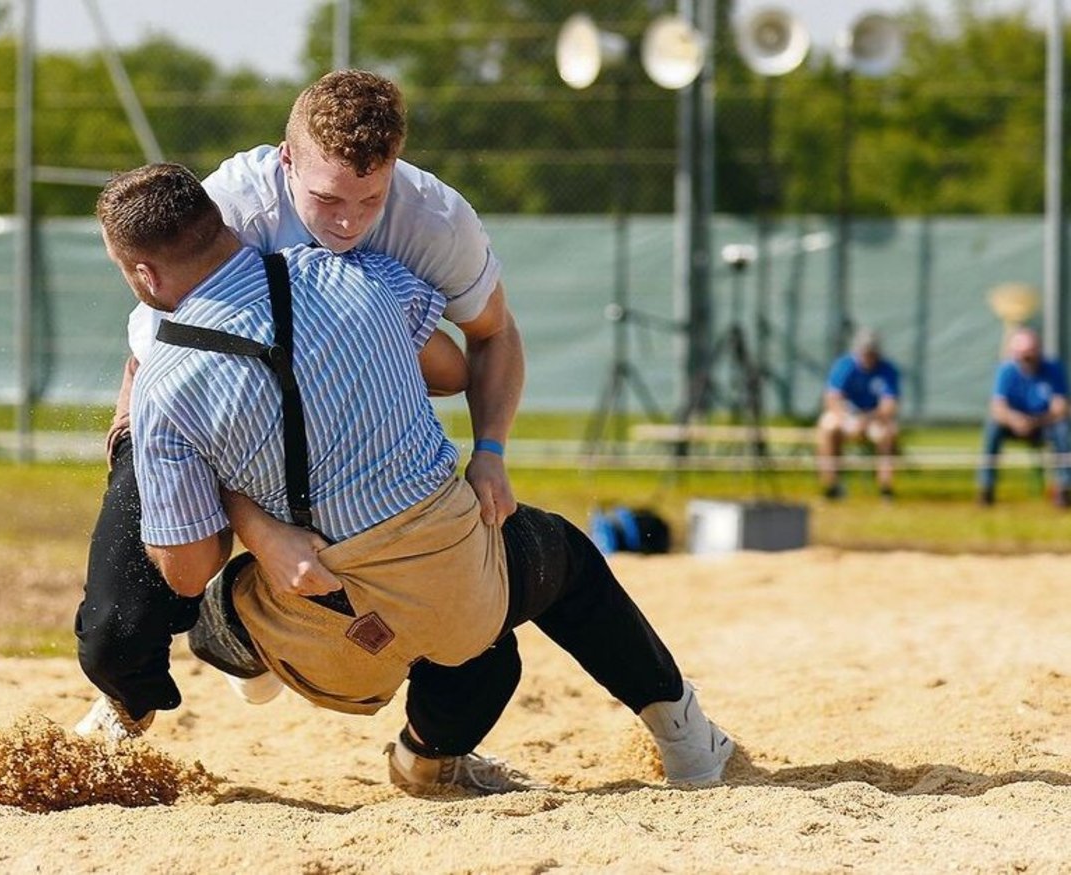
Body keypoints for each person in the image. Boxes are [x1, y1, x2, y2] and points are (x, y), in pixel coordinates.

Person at [103, 161, 734, 794]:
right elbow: (453, 370)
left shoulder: (162, 387)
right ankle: (681, 737)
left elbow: (186, 570)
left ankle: (250, 659)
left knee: (223, 598)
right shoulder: (356, 275)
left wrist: (243, 506)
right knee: (541, 579)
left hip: (321, 639)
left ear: (144, 275)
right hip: (456, 590)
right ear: (225, 229)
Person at [74, 71, 526, 746]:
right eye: (327, 199)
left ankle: (278, 651)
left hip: (355, 411)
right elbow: (156, 362)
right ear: (286, 162)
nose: (347, 222)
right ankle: (127, 700)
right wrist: (253, 526)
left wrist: (489, 452)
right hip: (214, 412)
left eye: (370, 199)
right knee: (118, 621)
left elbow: (491, 337)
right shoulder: (229, 209)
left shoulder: (434, 220)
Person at [977, 327, 1070, 508]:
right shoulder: (1006, 370)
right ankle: (986, 489)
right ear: (1014, 353)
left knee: (1063, 428)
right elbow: (997, 408)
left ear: (1038, 350)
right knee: (993, 427)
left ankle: (1064, 489)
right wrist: (1015, 420)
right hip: (1013, 425)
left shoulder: (1053, 369)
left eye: (1030, 353)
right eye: (1021, 354)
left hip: (1044, 425)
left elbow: (1061, 407)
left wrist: (1036, 421)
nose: (1026, 358)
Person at [815, 328, 901, 500]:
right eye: (865, 351)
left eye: (871, 351)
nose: (868, 355)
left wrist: (868, 419)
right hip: (846, 416)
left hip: (874, 418)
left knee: (889, 433)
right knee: (828, 428)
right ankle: (832, 486)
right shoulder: (844, 365)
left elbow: (889, 405)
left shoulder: (887, 369)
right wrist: (848, 419)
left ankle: (886, 489)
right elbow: (832, 399)